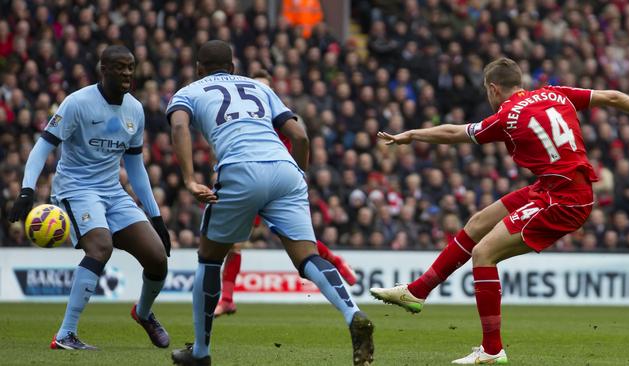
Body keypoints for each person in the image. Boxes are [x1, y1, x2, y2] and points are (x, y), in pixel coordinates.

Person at [371, 57, 629, 364]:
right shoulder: (554, 93)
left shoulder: (507, 116)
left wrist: (413, 135)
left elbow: (455, 134)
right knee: (478, 223)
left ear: (493, 89)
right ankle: (417, 291)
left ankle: (492, 350)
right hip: (553, 186)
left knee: (483, 254)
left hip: (563, 199)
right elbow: (611, 96)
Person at [167, 40, 374, 366]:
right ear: (233, 68)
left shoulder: (189, 91)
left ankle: (201, 352)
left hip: (238, 169)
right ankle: (353, 314)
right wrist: (298, 174)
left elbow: (179, 126)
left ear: (198, 68)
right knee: (307, 257)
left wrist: (190, 179)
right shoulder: (257, 87)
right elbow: (301, 135)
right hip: (284, 169)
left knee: (209, 259)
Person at [9, 45, 172, 351]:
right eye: (120, 67)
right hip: (76, 189)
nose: (127, 73)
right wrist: (27, 191)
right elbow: (42, 147)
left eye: (131, 67)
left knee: (157, 258)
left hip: (112, 191)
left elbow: (135, 167)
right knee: (101, 247)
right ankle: (65, 334)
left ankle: (144, 313)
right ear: (104, 69)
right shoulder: (77, 103)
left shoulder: (135, 110)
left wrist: (156, 217)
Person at [214, 69, 357, 317]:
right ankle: (227, 299)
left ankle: (335, 261)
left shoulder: (281, 119)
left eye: (265, 87)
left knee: (294, 239)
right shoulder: (245, 120)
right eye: (257, 86)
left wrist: (297, 176)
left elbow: (298, 144)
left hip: (277, 184)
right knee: (235, 243)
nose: (261, 91)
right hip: (249, 180)